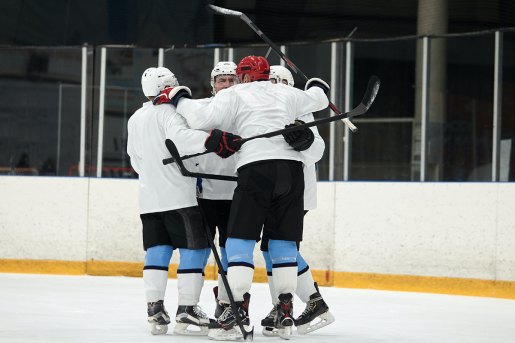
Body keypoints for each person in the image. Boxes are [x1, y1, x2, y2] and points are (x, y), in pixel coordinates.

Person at [153, 55, 330, 340]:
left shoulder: (236, 93)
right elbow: (319, 99)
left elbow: (199, 117)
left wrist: (180, 97)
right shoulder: (287, 92)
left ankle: (234, 313)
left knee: (239, 241)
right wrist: (318, 85)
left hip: (256, 171)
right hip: (292, 174)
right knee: (283, 244)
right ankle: (284, 313)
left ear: (243, 77)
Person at [127, 67, 241, 336]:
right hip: (179, 197)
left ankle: (154, 309)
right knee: (195, 249)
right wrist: (213, 140)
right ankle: (187, 310)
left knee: (158, 250)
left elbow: (135, 160)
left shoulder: (136, 117)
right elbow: (181, 138)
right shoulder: (170, 112)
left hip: (148, 199)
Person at [260, 65, 335, 336]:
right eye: (271, 81)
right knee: (272, 249)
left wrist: (305, 140)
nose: (275, 85)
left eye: (280, 81)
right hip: (275, 192)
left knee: (280, 249)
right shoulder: (266, 109)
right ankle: (296, 304)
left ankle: (303, 304)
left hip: (295, 195)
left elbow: (317, 151)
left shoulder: (301, 110)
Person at [192, 61, 239, 318]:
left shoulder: (247, 110)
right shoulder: (200, 110)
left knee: (231, 253)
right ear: (213, 84)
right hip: (205, 195)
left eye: (233, 80)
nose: (228, 85)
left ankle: (227, 303)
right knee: (198, 252)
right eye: (222, 80)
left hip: (237, 195)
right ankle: (189, 305)